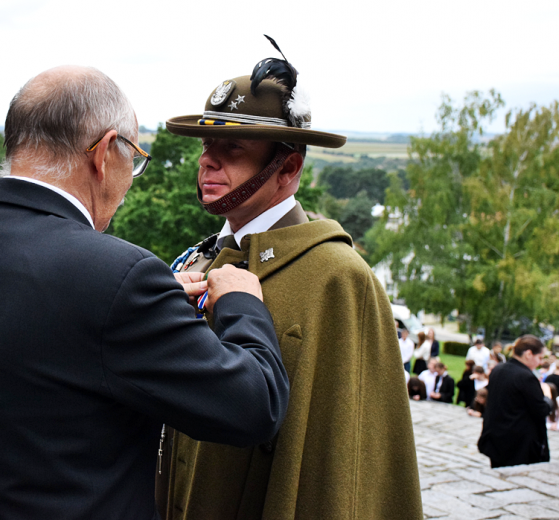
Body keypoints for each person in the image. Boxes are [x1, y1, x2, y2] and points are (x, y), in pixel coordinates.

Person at [0, 65, 290, 520]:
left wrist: (150, 307)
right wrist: (241, 303)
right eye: (133, 155)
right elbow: (255, 406)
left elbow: (33, 341)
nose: (130, 176)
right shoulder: (119, 278)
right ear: (106, 151)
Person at [159, 42, 422, 520]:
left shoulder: (338, 279)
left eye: (232, 148)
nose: (207, 162)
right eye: (206, 146)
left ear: (289, 167)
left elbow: (338, 464)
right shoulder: (198, 261)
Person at [478, 335, 552, 468]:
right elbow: (541, 410)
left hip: (496, 439)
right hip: (517, 445)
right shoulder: (526, 377)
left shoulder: (498, 369)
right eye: (539, 358)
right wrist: (547, 395)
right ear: (529, 354)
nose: (540, 363)